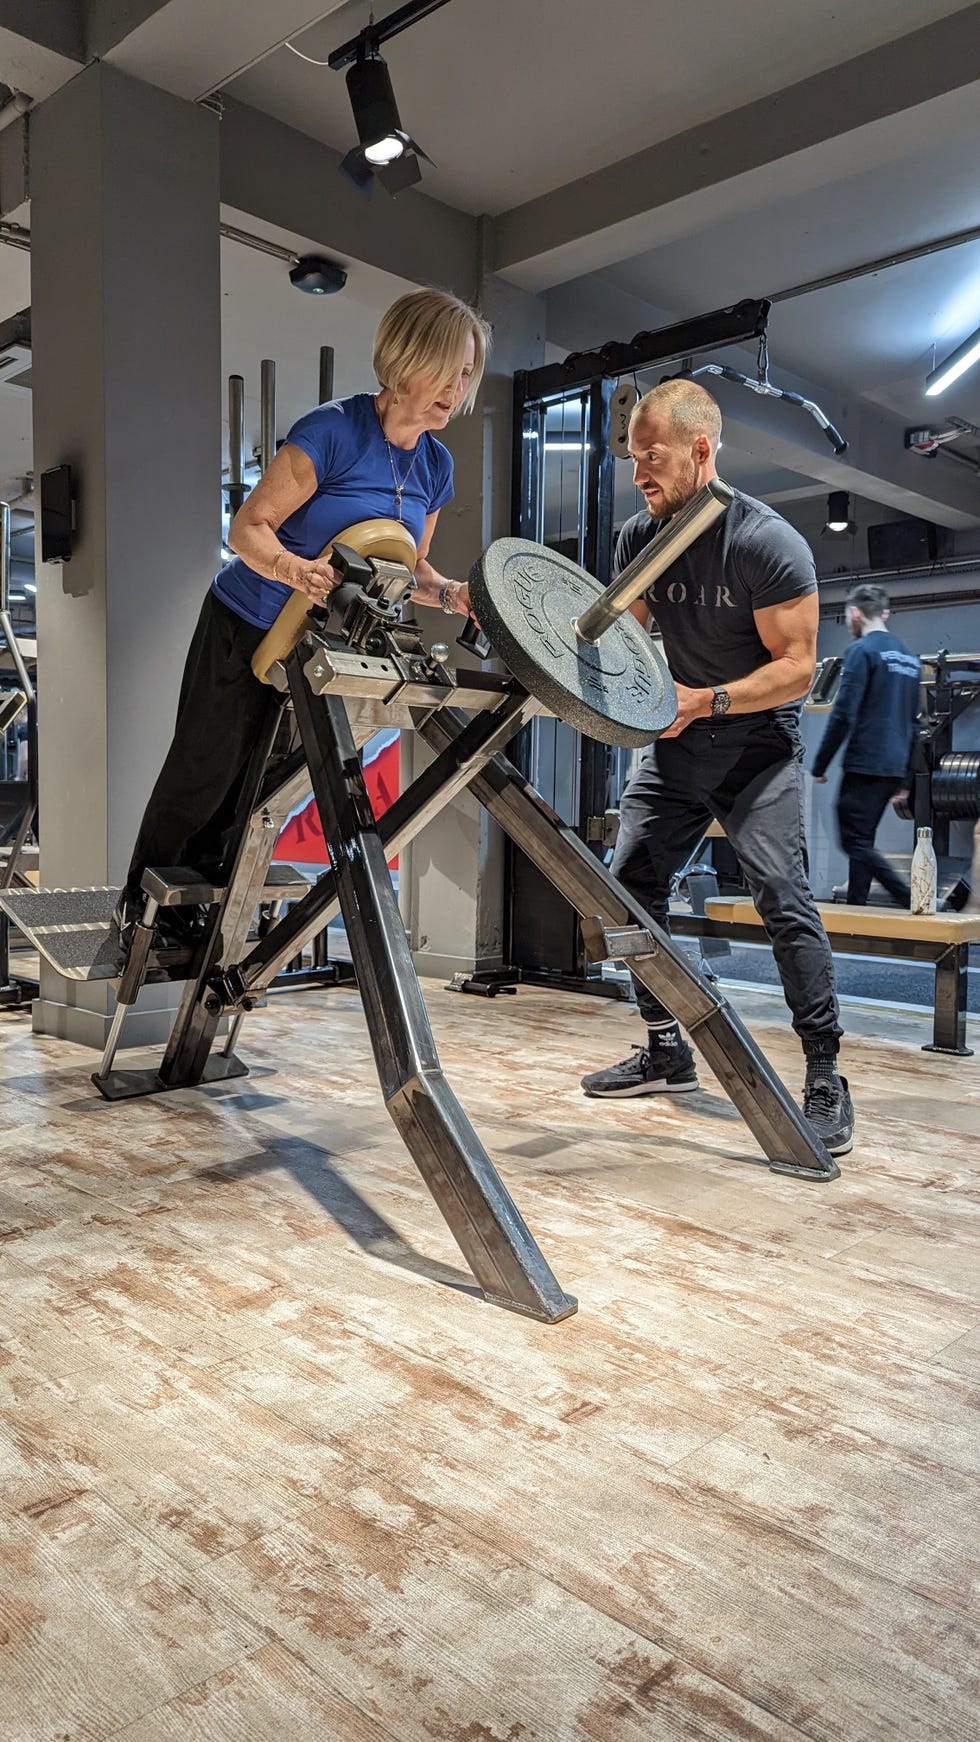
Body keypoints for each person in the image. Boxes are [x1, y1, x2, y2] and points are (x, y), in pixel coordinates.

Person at [115, 287, 489, 949]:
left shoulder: (436, 466)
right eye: (449, 367)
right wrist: (297, 571)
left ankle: (206, 917)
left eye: (468, 373)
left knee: (261, 789)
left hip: (314, 646)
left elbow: (410, 568)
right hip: (246, 621)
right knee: (206, 770)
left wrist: (452, 594)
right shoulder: (336, 431)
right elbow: (248, 527)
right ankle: (141, 912)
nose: (458, 388)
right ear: (407, 359)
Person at [580, 379, 853, 1158]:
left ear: (701, 451)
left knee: (781, 894)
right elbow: (619, 638)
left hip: (757, 742)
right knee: (627, 886)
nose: (639, 474)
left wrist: (708, 698)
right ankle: (666, 1046)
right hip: (679, 741)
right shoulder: (641, 538)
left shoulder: (767, 542)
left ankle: (826, 1072)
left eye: (652, 457)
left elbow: (798, 668)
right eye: (634, 460)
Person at [811, 583, 921, 906]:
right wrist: (906, 779)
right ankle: (857, 906)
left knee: (852, 840)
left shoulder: (861, 652)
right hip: (894, 764)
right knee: (864, 838)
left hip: (866, 761)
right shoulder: (909, 658)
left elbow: (843, 714)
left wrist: (820, 764)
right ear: (883, 612)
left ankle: (908, 897)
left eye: (847, 615)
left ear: (855, 612)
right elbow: (915, 725)